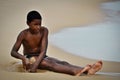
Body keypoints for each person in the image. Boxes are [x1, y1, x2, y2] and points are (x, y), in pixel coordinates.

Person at [11, 10, 102, 76]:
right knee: (51, 64)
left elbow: (43, 50)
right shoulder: (23, 34)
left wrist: (36, 65)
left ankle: (87, 69)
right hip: (30, 58)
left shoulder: (44, 31)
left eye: (40, 24)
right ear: (28, 23)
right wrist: (23, 58)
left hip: (42, 55)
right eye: (35, 24)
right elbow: (13, 52)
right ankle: (79, 71)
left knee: (62, 62)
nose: (38, 27)